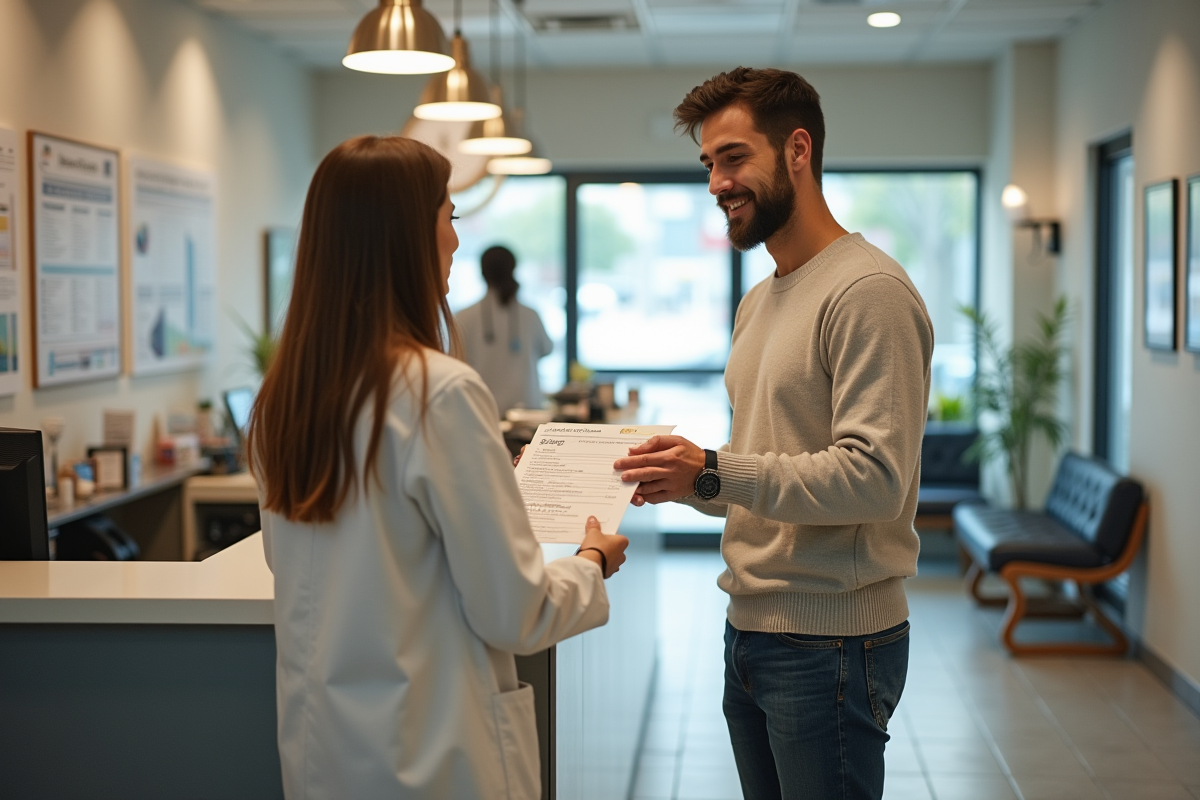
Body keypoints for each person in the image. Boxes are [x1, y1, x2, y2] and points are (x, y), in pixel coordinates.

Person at [246, 135, 628, 800]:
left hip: (327, 757)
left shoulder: (285, 398)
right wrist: (592, 561)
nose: (455, 241)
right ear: (406, 237)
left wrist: (485, 489)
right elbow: (517, 612)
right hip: (432, 759)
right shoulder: (438, 392)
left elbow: (345, 554)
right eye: (449, 217)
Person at [614, 68, 934, 800]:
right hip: (752, 628)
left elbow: (874, 480)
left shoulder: (868, 293)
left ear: (798, 150)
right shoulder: (759, 301)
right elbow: (771, 468)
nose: (716, 183)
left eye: (732, 158)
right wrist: (686, 479)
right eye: (708, 165)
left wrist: (714, 469)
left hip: (833, 643)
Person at [456, 245, 554, 415]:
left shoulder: (463, 317)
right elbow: (547, 349)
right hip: (528, 410)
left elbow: (456, 362)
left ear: (482, 273)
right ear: (513, 269)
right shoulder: (530, 315)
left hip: (483, 412)